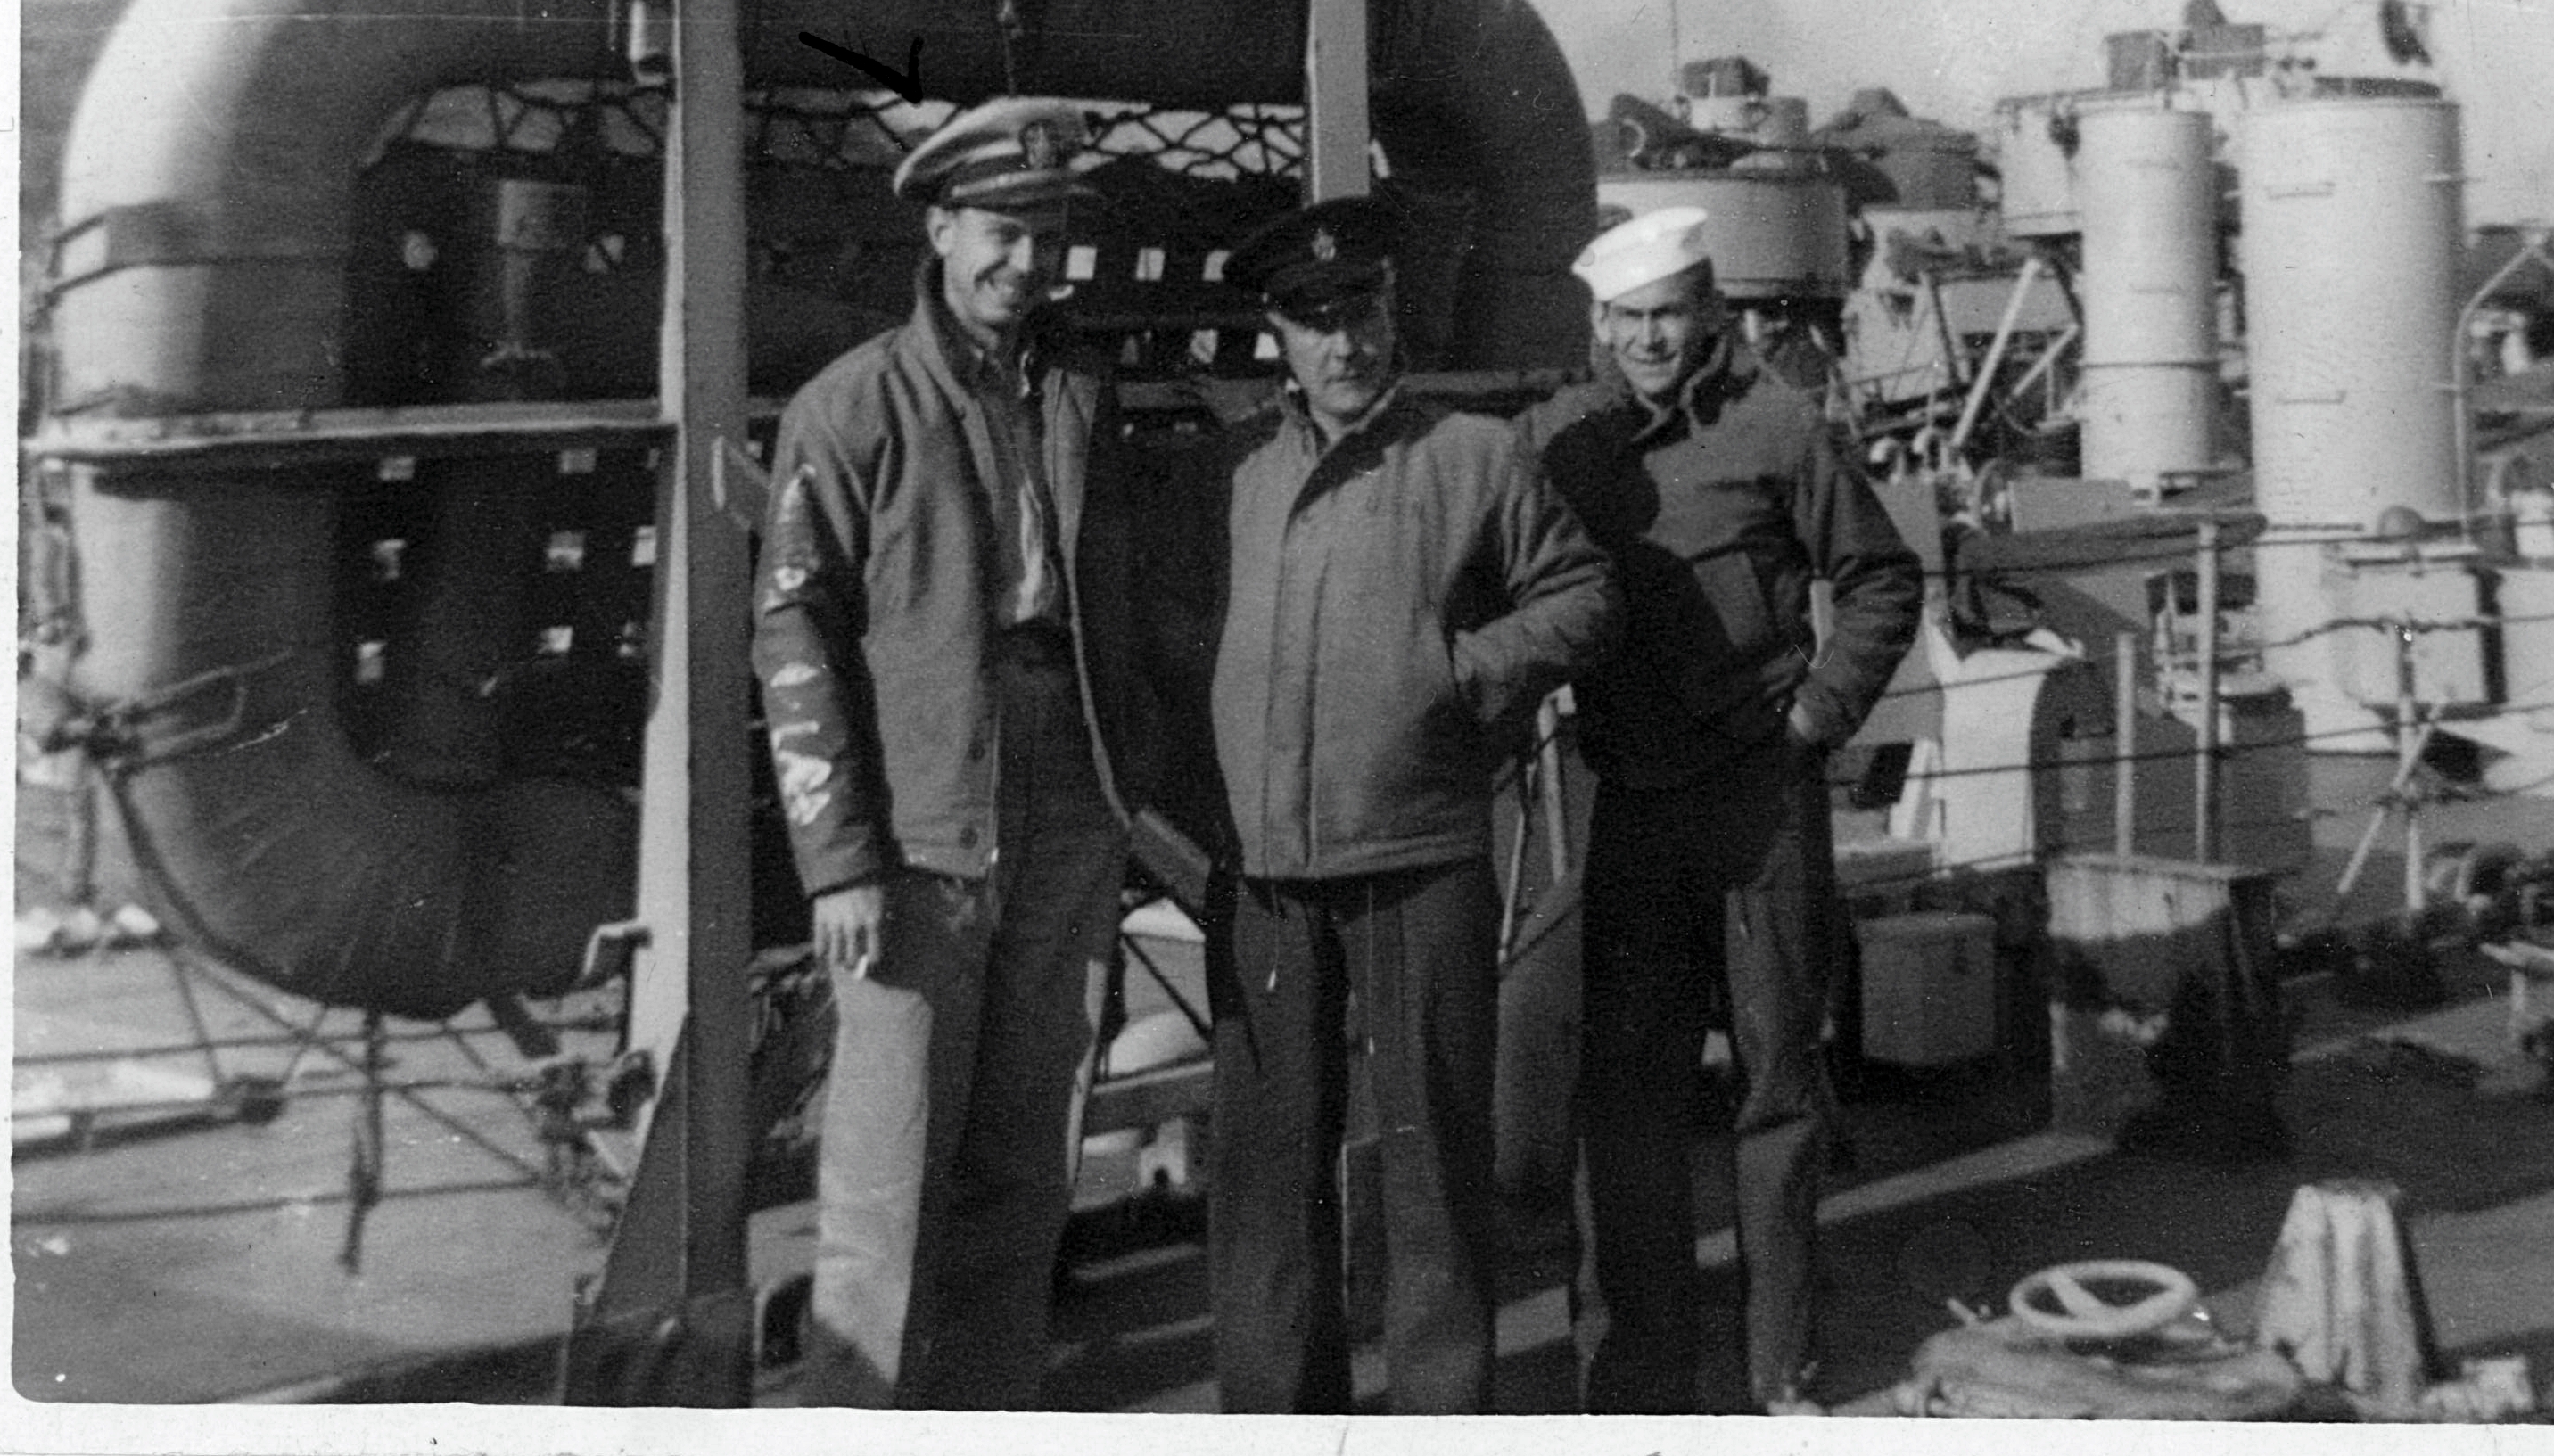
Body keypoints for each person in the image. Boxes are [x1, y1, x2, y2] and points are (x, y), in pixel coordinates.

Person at [1207, 194, 1618, 1413]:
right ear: (1278, 335)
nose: (1345, 345)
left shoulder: (1473, 457)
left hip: (1420, 856)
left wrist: (1456, 675)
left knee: (1434, 1165)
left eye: (1362, 313)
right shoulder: (1232, 471)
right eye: (1315, 322)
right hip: (1266, 876)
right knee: (1269, 1177)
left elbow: (1582, 596)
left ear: (1391, 315)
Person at [752, 98, 1132, 1408]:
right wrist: (839, 861)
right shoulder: (852, 404)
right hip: (920, 824)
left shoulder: (1077, 389)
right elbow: (792, 631)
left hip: (1067, 801)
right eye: (1000, 231)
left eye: (1047, 236)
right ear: (940, 229)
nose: (1025, 262)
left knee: (1028, 1171)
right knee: (886, 1189)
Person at [1525, 204, 1924, 1416]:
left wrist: (1816, 717)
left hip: (1760, 800)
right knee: (1627, 1096)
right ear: (1601, 324)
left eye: (1671, 314)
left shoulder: (1777, 427)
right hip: (1633, 804)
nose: (1651, 339)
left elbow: (1879, 579)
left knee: (1776, 1090)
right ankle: (1636, 1379)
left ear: (1706, 312)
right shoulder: (1561, 444)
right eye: (1629, 319)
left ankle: (1778, 1371)